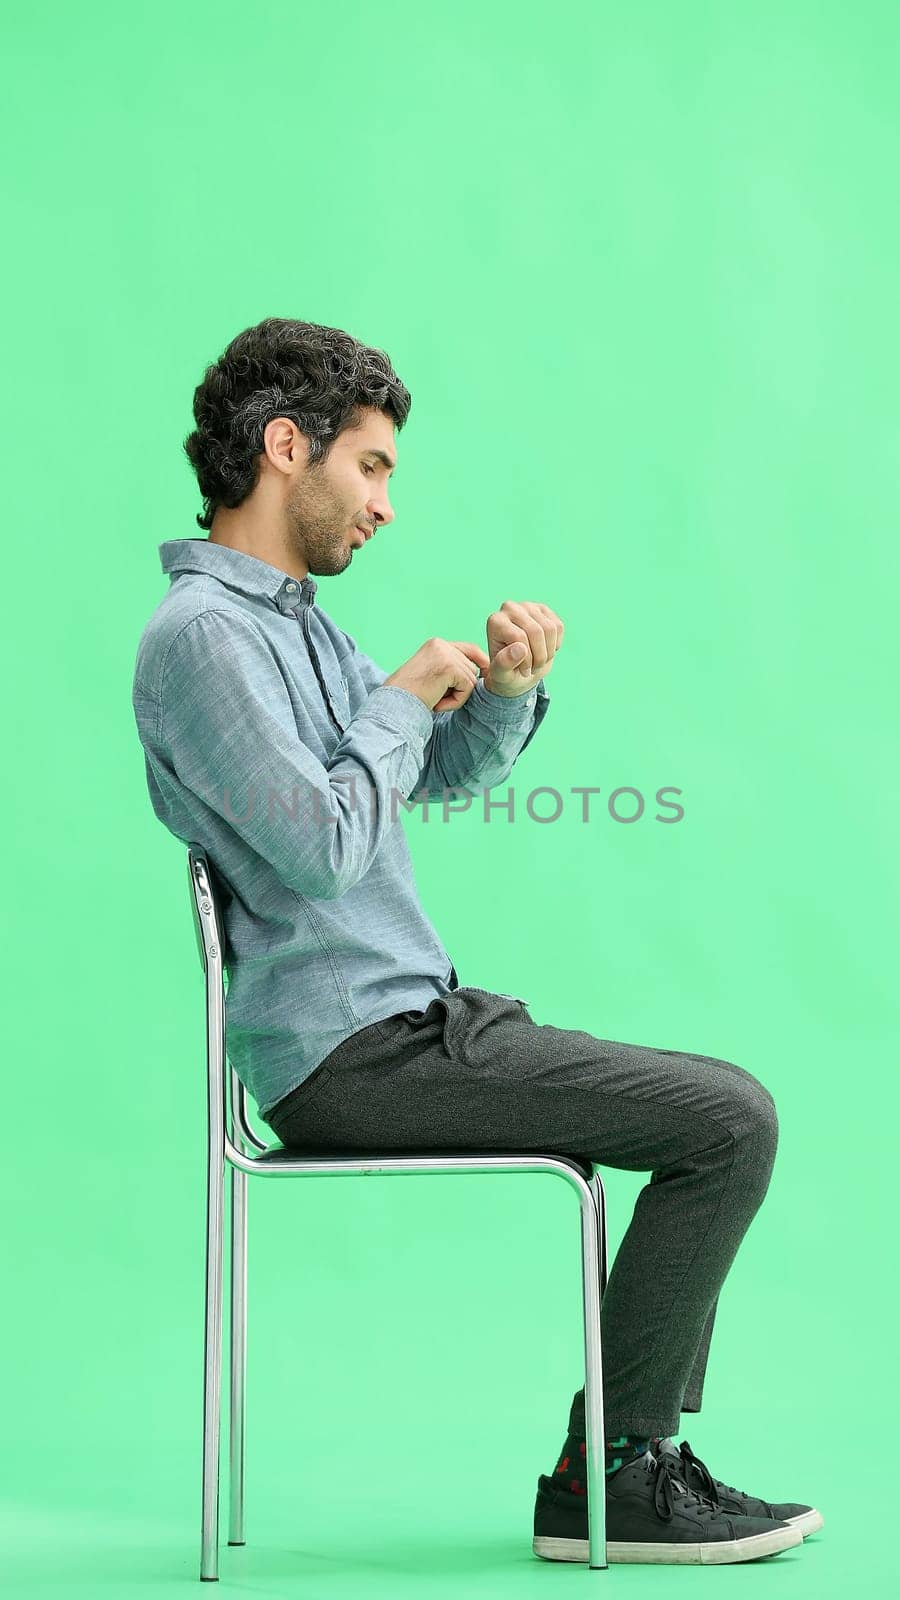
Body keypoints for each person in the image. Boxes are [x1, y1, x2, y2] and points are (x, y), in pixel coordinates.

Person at [131, 316, 823, 1565]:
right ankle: (612, 1475)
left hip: (415, 1027)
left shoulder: (293, 623)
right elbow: (326, 844)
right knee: (731, 1119)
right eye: (374, 466)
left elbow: (423, 779)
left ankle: (614, 1464)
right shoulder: (199, 642)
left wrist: (498, 694)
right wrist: (397, 697)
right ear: (288, 448)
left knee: (719, 1114)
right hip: (351, 1061)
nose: (386, 504)